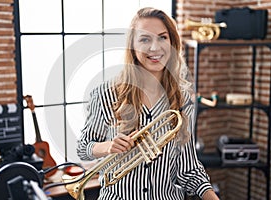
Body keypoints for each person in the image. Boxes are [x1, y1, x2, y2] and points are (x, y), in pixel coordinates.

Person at [77, 7, 219, 200]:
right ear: (133, 47)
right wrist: (108, 146)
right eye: (145, 39)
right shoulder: (106, 93)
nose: (155, 48)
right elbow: (84, 148)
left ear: (172, 43)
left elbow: (189, 168)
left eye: (162, 37)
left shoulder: (182, 99)